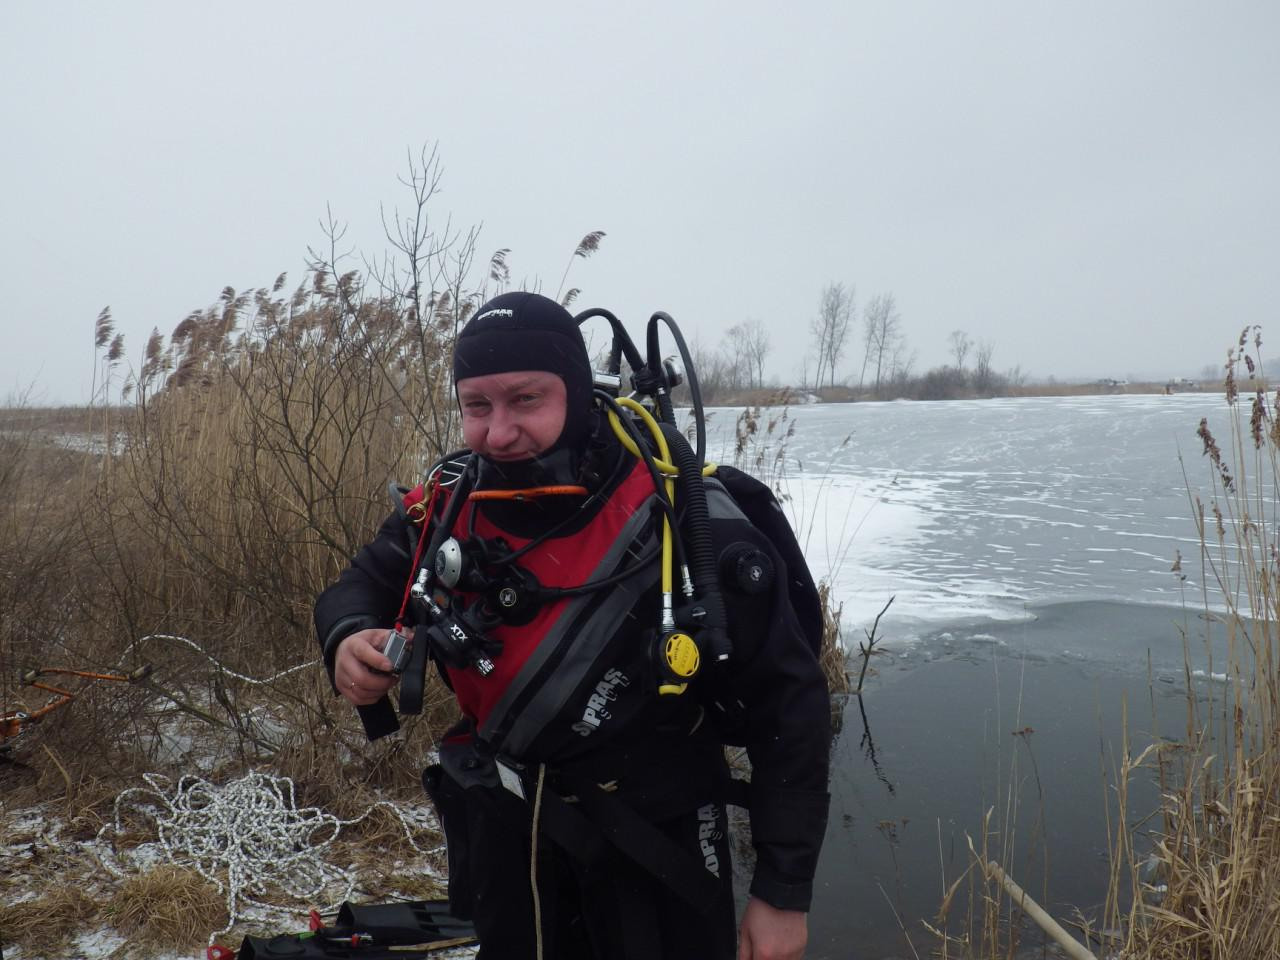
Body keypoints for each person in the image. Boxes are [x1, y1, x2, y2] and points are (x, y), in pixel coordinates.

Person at [314, 292, 830, 960]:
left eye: (526, 400)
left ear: (579, 392)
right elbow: (358, 585)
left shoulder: (685, 516)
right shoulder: (450, 499)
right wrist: (349, 637)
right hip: (507, 829)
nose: (498, 432)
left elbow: (791, 703)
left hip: (659, 839)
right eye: (477, 406)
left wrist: (783, 892)